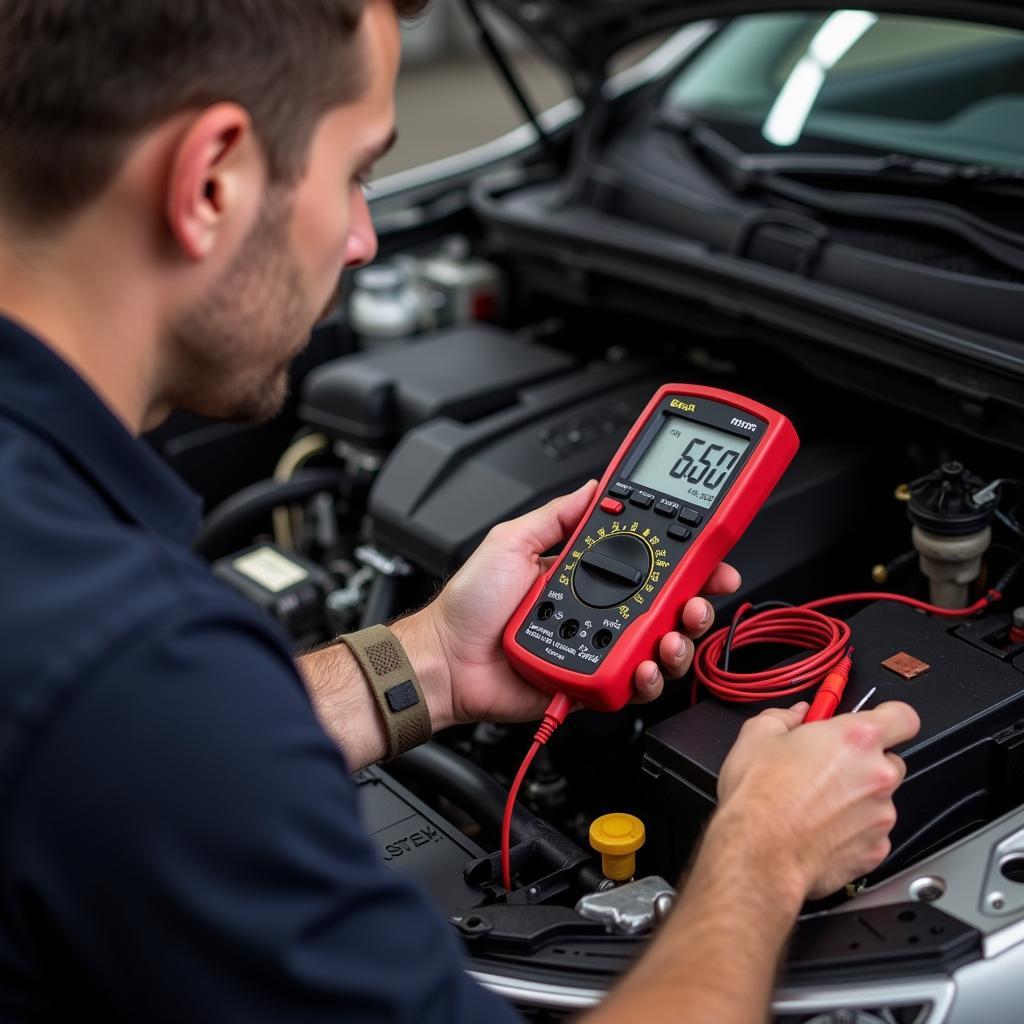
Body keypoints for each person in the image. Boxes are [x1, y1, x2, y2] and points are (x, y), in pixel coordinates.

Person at [0, 1, 920, 1021]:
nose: (365, 240)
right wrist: (761, 853)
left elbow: (145, 758)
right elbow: (151, 728)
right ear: (209, 178)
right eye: (355, 171)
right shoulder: (128, 661)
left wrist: (430, 660)